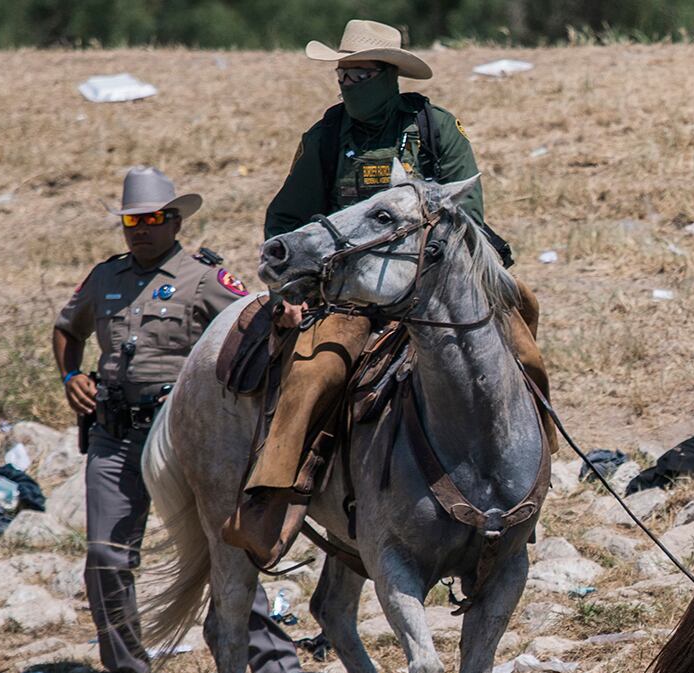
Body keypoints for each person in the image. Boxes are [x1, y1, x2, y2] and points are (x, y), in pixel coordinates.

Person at [222, 19, 548, 569]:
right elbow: (285, 219)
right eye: (341, 73)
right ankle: (273, 499)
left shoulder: (435, 126)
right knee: (313, 373)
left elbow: (468, 215)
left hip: (435, 285)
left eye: (358, 73)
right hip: (350, 298)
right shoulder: (325, 138)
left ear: (388, 77)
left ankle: (531, 484)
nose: (346, 83)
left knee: (524, 349)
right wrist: (288, 290)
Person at [53, 166, 321, 673]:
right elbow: (66, 327)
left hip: (180, 437)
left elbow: (249, 319)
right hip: (115, 433)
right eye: (131, 220)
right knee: (106, 555)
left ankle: (275, 667)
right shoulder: (105, 277)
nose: (140, 230)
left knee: (223, 546)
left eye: (152, 219)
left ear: (174, 220)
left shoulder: (204, 278)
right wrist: (70, 375)